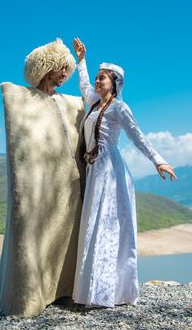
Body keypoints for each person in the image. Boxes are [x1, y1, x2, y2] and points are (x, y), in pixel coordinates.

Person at [72, 37, 177, 308]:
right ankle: (92, 289)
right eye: (97, 78)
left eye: (102, 79)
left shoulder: (120, 108)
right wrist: (81, 59)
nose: (97, 82)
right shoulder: (94, 102)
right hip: (95, 171)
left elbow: (138, 136)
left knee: (107, 227)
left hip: (111, 174)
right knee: (93, 226)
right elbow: (83, 83)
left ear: (115, 84)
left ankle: (108, 292)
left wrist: (158, 160)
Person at [0, 39, 85, 316]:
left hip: (66, 186)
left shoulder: (68, 103)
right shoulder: (25, 101)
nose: (64, 74)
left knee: (65, 235)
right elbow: (26, 147)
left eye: (66, 69)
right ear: (46, 68)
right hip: (39, 186)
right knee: (32, 233)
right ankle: (30, 294)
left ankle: (62, 289)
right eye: (60, 68)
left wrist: (83, 63)